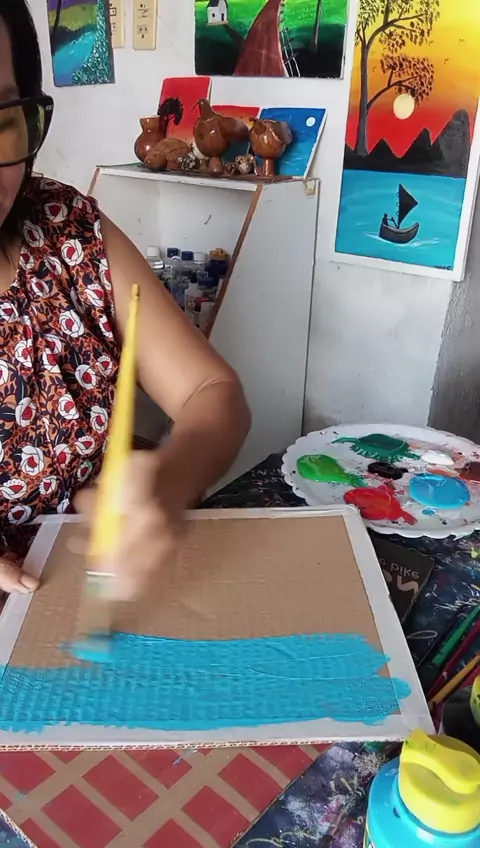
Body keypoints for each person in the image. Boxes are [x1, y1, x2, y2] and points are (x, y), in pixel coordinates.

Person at [0, 1, 251, 599]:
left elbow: (212, 391)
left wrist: (169, 479)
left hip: (101, 588)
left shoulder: (64, 228)